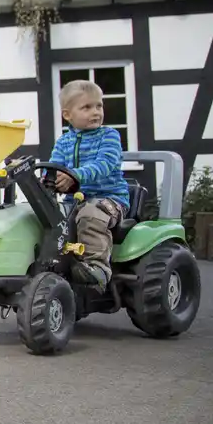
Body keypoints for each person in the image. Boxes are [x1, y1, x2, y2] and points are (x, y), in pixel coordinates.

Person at [48, 80, 130, 291]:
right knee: (47, 216)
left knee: (90, 215)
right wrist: (50, 181)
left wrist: (75, 176)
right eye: (86, 107)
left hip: (110, 199)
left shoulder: (109, 136)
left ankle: (97, 268)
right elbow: (55, 167)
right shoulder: (63, 142)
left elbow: (104, 164)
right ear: (67, 115)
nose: (95, 112)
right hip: (74, 201)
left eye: (98, 106)